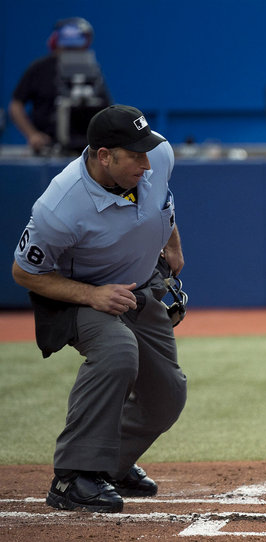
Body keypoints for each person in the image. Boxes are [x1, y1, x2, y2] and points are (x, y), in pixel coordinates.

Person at [11, 104, 187, 513]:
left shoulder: (157, 156)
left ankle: (113, 464)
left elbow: (164, 202)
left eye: (147, 151)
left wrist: (173, 244)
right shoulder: (58, 208)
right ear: (104, 155)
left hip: (139, 288)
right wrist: (92, 296)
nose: (147, 162)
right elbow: (24, 273)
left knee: (167, 395)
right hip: (78, 295)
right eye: (134, 155)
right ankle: (74, 476)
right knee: (117, 354)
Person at [9, 17, 111, 155]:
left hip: (85, 150)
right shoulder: (39, 68)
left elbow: (105, 109)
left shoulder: (93, 71)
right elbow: (16, 105)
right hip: (48, 149)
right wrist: (32, 135)